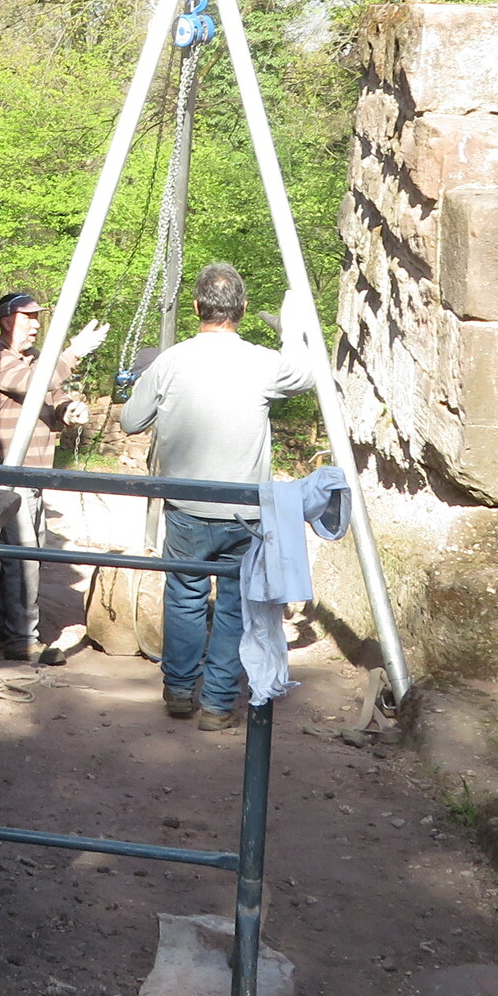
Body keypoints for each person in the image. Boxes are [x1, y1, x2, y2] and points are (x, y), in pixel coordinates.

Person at [118, 262, 321, 729]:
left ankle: (178, 690)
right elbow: (306, 375)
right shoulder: (261, 362)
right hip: (243, 511)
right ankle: (216, 704)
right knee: (234, 606)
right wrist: (290, 332)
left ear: (196, 307)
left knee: (184, 597)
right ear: (243, 309)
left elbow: (130, 421)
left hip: (186, 506)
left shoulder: (170, 361)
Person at [0, 291, 107, 662]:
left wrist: (68, 411)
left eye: (37, 317)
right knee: (24, 558)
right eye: (27, 317)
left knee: (24, 553)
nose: (35, 324)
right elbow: (35, 384)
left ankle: (2, 622)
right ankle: (23, 640)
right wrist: (74, 352)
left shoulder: (33, 359)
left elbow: (51, 396)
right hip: (9, 473)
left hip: (31, 472)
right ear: (6, 321)